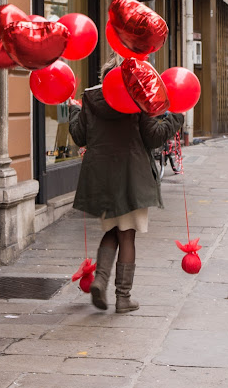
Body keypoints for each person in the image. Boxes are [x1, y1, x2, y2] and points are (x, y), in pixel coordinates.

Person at [68, 55, 184, 313]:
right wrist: (176, 118)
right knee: (127, 235)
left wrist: (74, 111)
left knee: (112, 231)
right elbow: (153, 137)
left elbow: (80, 136)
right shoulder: (137, 97)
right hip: (132, 177)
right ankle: (123, 297)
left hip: (102, 177)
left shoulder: (90, 98)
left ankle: (100, 280)